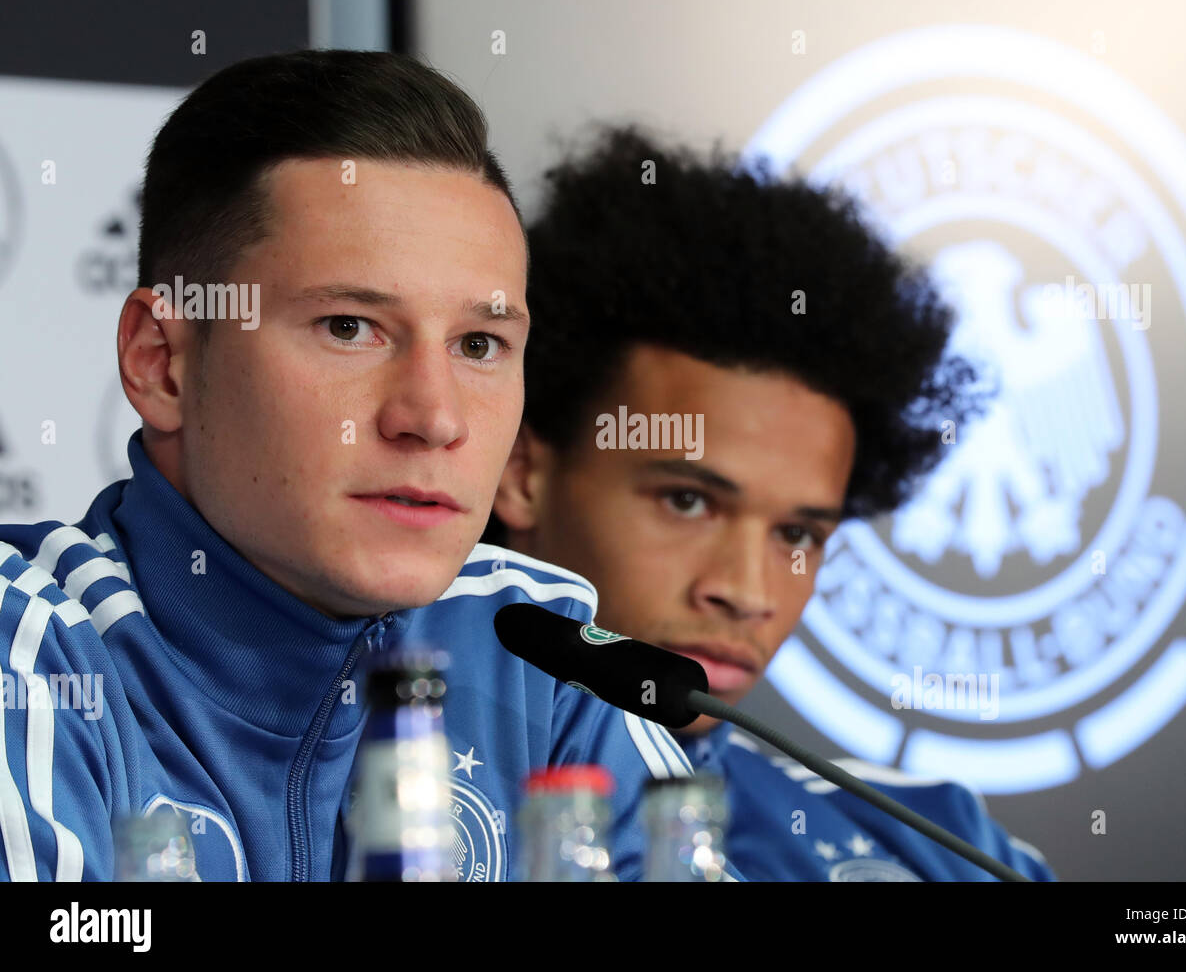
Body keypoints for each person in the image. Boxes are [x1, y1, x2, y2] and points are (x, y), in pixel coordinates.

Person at [0, 51, 711, 882]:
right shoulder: (33, 659)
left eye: (478, 345)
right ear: (162, 362)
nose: (433, 417)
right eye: (349, 327)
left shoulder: (545, 663)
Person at [487, 124, 1056, 881]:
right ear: (524, 471)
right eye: (688, 501)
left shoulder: (931, 841)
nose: (747, 591)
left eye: (796, 530)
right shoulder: (389, 798)